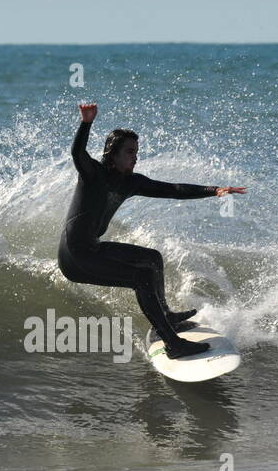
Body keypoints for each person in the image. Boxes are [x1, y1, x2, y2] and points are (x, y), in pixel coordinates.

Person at [58, 102, 246, 359]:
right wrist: (86, 122)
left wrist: (213, 190)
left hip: (92, 248)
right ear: (112, 153)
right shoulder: (93, 174)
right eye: (130, 151)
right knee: (141, 278)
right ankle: (173, 343)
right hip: (74, 256)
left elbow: (173, 190)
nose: (135, 156)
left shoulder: (131, 182)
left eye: (137, 151)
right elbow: (77, 153)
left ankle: (165, 315)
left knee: (152, 259)